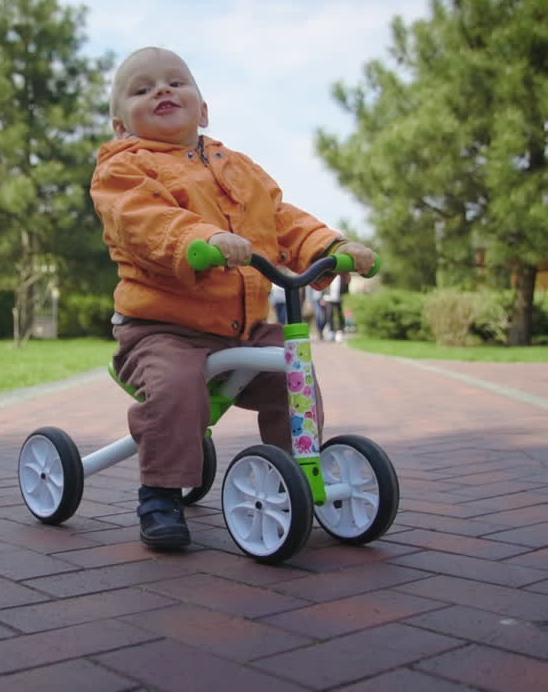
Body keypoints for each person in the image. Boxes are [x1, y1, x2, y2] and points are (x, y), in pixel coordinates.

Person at [90, 46, 378, 549]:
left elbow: (282, 218)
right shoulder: (123, 171)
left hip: (239, 328)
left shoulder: (240, 169)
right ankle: (159, 494)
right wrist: (196, 242)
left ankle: (301, 471)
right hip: (160, 329)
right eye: (142, 89)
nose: (161, 90)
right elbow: (142, 221)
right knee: (176, 386)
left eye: (176, 82)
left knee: (292, 373)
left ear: (202, 110)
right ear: (121, 126)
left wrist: (331, 246)